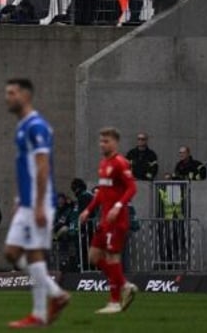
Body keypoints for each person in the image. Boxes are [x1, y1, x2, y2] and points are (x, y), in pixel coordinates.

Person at [2, 78, 70, 329]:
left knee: (33, 254)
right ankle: (56, 294)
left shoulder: (37, 126)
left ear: (26, 95)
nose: (7, 98)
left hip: (39, 203)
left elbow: (43, 168)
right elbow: (26, 168)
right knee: (11, 252)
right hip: (27, 202)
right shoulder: (23, 126)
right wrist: (19, 199)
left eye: (11, 93)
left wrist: (40, 204)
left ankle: (40, 313)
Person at [79, 127, 138, 315]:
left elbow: (132, 188)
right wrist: (88, 210)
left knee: (112, 257)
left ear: (115, 142)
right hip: (104, 220)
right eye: (101, 141)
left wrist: (118, 206)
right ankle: (125, 285)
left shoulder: (121, 163)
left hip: (117, 220)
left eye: (106, 141)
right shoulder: (103, 163)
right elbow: (101, 193)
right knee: (93, 257)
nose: (102, 144)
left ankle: (114, 302)